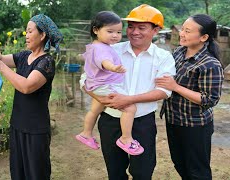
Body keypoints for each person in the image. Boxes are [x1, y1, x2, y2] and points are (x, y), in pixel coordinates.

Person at [80, 4, 176, 179]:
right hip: (110, 120)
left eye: (141, 27)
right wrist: (103, 99)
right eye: (131, 27)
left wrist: (128, 100)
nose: (134, 32)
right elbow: (85, 79)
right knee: (115, 172)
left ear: (156, 30)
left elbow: (163, 91)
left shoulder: (163, 57)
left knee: (143, 171)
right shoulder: (111, 49)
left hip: (143, 123)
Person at [0, 14, 63, 180]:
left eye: (30, 31)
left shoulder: (47, 61)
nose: (26, 36)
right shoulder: (23, 56)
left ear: (42, 35)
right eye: (26, 32)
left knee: (36, 174)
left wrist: (1, 68)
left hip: (36, 130)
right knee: (18, 172)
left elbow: (27, 87)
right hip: (17, 125)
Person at [156, 14, 224, 179]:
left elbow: (209, 100)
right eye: (182, 30)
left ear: (204, 37)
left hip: (195, 126)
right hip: (174, 120)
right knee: (180, 163)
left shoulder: (210, 64)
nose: (182, 34)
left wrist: (175, 87)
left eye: (187, 31)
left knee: (197, 171)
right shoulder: (179, 52)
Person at [75, 11, 144, 155]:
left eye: (118, 32)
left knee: (95, 109)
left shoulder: (96, 45)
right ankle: (126, 139)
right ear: (96, 30)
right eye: (110, 31)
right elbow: (104, 61)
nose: (115, 35)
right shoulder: (102, 48)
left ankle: (86, 133)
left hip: (97, 84)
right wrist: (113, 67)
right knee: (130, 108)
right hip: (105, 85)